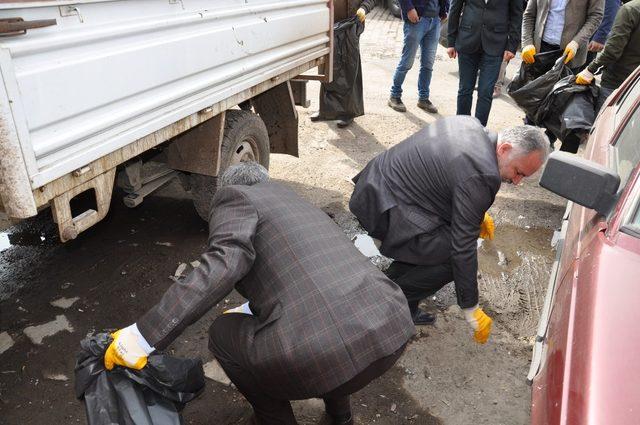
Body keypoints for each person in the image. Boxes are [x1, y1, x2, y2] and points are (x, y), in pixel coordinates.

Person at [103, 162, 415, 425]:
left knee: (222, 334)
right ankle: (340, 417)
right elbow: (303, 276)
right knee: (326, 325)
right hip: (391, 326)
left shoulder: (236, 197)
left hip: (323, 351)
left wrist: (142, 336)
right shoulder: (295, 200)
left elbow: (226, 262)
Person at [349, 116, 549, 343]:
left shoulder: (468, 123)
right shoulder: (484, 174)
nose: (517, 181)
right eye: (518, 172)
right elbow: (461, 248)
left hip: (373, 188)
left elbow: (444, 174)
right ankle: (396, 300)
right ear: (504, 149)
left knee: (453, 233)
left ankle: (393, 281)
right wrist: (471, 307)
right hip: (385, 212)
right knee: (455, 258)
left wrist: (475, 210)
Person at [447, 0, 523, 126]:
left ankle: (479, 130)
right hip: (468, 39)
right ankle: (461, 128)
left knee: (486, 92)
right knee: (465, 89)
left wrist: (512, 45)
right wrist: (451, 41)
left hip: (496, 43)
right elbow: (455, 8)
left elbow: (516, 15)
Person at [310, 0, 376, 128]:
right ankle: (326, 110)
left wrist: (364, 8)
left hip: (350, 24)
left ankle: (348, 112)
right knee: (326, 67)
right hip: (328, 24)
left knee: (349, 68)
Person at [576, 0, 640, 111]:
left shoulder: (631, 10)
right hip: (635, 84)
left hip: (617, 81)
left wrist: (590, 69)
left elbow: (613, 50)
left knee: (603, 121)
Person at [387, 0, 450, 114]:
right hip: (417, 19)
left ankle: (423, 99)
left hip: (435, 20)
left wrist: (445, 9)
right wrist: (409, 8)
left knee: (428, 63)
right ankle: (394, 96)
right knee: (407, 61)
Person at [521, 0, 604, 70]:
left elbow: (595, 17)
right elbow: (529, 14)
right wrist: (527, 43)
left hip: (569, 55)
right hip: (538, 51)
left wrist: (576, 43)